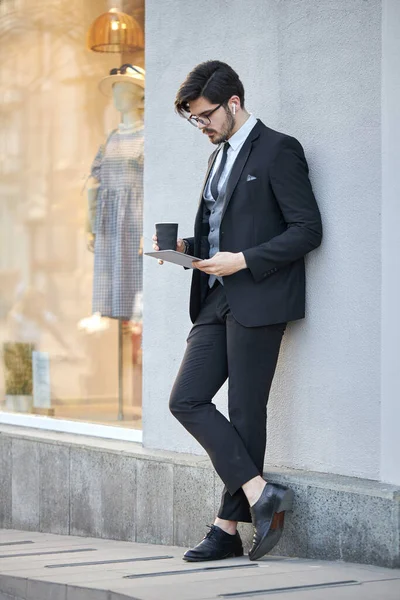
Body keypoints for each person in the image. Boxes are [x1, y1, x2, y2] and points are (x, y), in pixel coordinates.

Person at [153, 60, 322, 562]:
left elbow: (307, 230)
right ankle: (259, 492)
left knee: (246, 412)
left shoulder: (279, 149)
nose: (201, 125)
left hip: (260, 294)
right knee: (186, 400)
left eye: (205, 115)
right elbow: (222, 225)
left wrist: (244, 259)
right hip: (216, 295)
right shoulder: (217, 156)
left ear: (233, 103)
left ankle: (226, 528)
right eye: (194, 119)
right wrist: (186, 246)